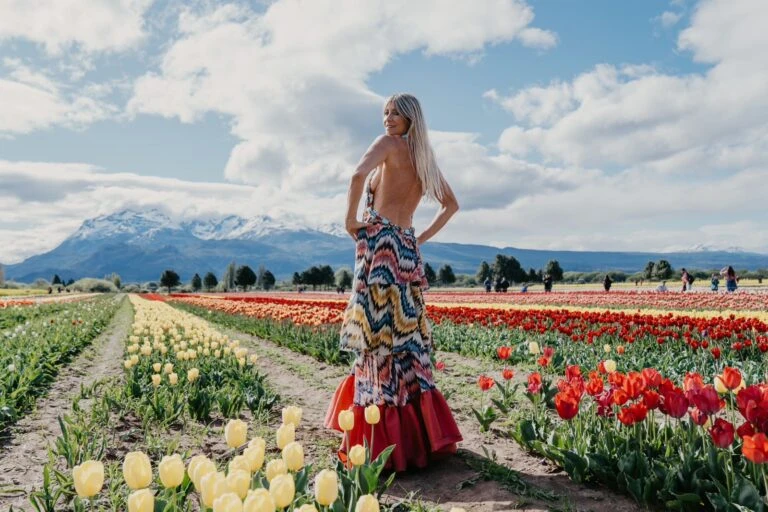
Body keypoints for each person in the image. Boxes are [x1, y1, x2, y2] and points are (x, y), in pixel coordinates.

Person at [325, 93, 462, 471]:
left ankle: (377, 434)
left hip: (380, 245)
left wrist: (349, 221)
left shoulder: (388, 146)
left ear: (410, 118)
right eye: (384, 112)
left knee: (377, 336)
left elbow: (356, 175)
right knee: (405, 338)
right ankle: (417, 438)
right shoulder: (424, 158)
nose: (387, 119)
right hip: (405, 247)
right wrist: (417, 239)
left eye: (395, 113)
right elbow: (451, 205)